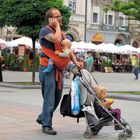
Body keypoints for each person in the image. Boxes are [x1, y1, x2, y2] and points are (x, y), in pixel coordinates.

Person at [36, 8, 82, 135]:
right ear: (50, 19)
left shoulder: (61, 33)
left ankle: (42, 117)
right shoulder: (45, 30)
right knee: (49, 98)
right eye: (56, 17)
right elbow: (56, 40)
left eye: (60, 16)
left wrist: (76, 61)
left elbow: (67, 49)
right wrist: (57, 26)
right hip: (47, 69)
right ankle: (46, 125)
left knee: (57, 97)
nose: (59, 19)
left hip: (58, 69)